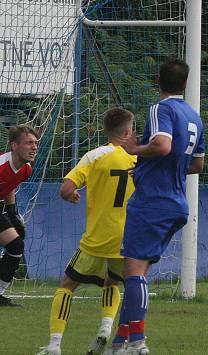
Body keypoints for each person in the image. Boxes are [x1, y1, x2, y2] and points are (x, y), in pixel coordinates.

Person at [106, 59, 205, 355]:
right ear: (186, 84)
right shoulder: (194, 116)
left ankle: (138, 342)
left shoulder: (160, 109)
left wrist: (134, 149)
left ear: (158, 80)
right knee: (136, 271)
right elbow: (197, 164)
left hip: (153, 202)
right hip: (176, 202)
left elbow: (161, 146)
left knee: (133, 270)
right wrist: (148, 168)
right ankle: (120, 344)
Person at [37, 108, 137, 355]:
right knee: (112, 282)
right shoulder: (138, 159)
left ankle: (54, 345)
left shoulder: (94, 156)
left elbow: (65, 189)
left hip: (97, 237)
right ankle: (105, 328)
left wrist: (71, 194)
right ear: (127, 132)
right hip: (126, 238)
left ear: (106, 130)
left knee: (67, 284)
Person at [0, 124, 38, 306]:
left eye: (35, 143)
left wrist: (12, 211)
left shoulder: (26, 169)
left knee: (16, 244)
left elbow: (9, 185)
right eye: (29, 143)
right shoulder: (1, 165)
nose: (34, 147)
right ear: (14, 146)